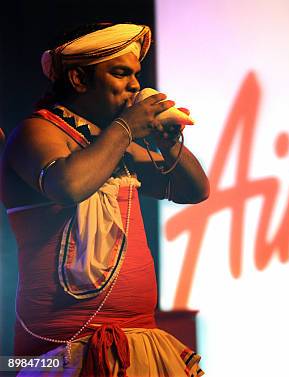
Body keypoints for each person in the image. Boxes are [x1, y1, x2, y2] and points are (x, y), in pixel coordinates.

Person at [0, 23, 208, 376]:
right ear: (80, 80)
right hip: (61, 354)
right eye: (121, 73)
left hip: (139, 344)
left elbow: (194, 190)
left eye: (136, 75)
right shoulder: (35, 132)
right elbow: (68, 185)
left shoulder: (114, 143)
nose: (134, 86)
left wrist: (168, 141)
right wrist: (125, 129)